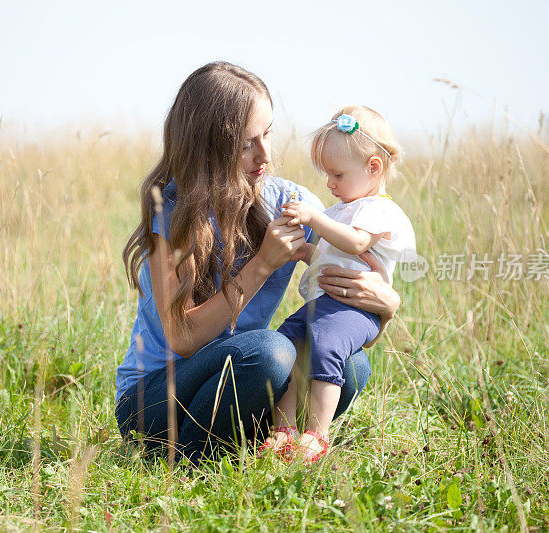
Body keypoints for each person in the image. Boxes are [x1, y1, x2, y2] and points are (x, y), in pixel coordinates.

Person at [114, 63, 400, 464]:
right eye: (248, 143)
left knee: (351, 364)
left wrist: (386, 309)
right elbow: (182, 337)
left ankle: (258, 448)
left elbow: (350, 306)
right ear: (208, 146)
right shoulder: (172, 211)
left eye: (268, 134)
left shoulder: (289, 203)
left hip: (238, 380)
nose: (265, 154)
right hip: (154, 400)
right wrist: (262, 264)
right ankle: (187, 464)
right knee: (270, 352)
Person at [260, 106, 416, 464]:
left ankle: (317, 433)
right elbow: (332, 254)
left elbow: (356, 244)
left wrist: (314, 217)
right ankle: (283, 429)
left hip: (354, 308)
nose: (329, 184)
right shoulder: (343, 210)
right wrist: (306, 251)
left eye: (337, 174)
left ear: (373, 168)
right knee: (290, 341)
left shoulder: (378, 209)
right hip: (326, 304)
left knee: (326, 345)